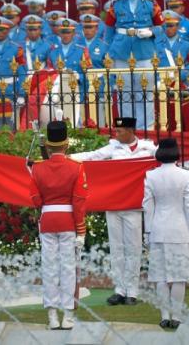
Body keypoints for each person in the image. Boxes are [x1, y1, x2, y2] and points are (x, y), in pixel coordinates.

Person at [71, 117, 156, 305]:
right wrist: (65, 158)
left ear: (131, 131)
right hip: (113, 204)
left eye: (120, 131)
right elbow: (91, 156)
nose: (116, 135)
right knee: (116, 247)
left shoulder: (147, 148)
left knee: (133, 249)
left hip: (133, 206)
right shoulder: (113, 148)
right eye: (116, 131)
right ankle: (119, 289)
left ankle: (132, 291)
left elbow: (164, 156)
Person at [29, 119, 88, 330]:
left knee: (49, 268)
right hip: (68, 221)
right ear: (66, 144)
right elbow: (79, 202)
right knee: (68, 269)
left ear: (47, 146)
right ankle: (67, 316)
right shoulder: (76, 167)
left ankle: (52, 317)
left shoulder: (37, 168)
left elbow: (36, 200)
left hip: (47, 221)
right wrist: (81, 230)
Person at [143, 138, 189, 329]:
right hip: (179, 229)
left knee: (161, 276)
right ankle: (177, 316)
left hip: (158, 228)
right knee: (179, 276)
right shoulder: (185, 175)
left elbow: (147, 206)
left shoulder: (151, 176)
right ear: (176, 152)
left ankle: (164, 315)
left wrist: (147, 232)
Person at [104, 0, 164, 129]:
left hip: (144, 51)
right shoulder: (116, 5)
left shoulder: (151, 5)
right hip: (121, 51)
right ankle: (126, 129)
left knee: (145, 93)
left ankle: (146, 129)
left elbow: (161, 27)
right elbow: (109, 29)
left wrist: (152, 32)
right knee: (124, 92)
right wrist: (109, 52)